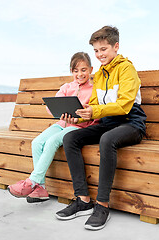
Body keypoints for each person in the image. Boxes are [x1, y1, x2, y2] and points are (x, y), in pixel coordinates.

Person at [55, 26, 147, 230]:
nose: (99, 55)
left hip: (131, 123)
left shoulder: (127, 69)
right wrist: (75, 119)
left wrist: (95, 112)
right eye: (96, 51)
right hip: (108, 123)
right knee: (70, 138)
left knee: (107, 140)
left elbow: (124, 105)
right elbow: (93, 106)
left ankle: (103, 205)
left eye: (103, 49)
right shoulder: (101, 75)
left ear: (116, 46)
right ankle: (83, 200)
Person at [7, 52, 98, 203]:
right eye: (76, 71)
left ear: (90, 69)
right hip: (62, 124)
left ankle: (32, 181)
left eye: (83, 70)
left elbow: (95, 112)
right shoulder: (66, 87)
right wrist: (60, 111)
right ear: (71, 72)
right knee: (37, 142)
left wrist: (84, 112)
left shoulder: (94, 89)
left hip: (80, 127)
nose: (80, 74)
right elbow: (51, 108)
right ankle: (40, 188)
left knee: (52, 142)